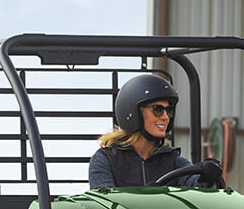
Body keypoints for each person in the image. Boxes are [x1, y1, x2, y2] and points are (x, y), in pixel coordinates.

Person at [88, 73, 224, 189]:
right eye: (157, 109)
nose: (166, 117)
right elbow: (106, 205)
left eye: (169, 111)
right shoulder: (105, 160)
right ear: (133, 113)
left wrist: (207, 178)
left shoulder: (174, 161)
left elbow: (195, 186)